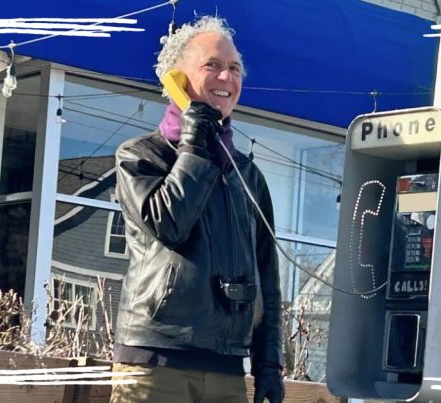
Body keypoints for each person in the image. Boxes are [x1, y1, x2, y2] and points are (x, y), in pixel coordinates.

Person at [110, 16, 284, 403]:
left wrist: (269, 363)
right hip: (157, 361)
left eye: (235, 68)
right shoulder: (141, 156)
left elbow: (266, 277)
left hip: (226, 368)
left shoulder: (248, 175)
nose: (227, 77)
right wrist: (195, 146)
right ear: (176, 78)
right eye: (213, 65)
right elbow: (169, 223)